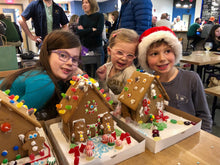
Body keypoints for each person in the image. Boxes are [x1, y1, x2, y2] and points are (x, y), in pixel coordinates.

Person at [138, 26, 212, 132]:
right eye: (154, 54)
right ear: (145, 59)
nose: (162, 59)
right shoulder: (147, 83)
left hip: (189, 138)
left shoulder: (191, 79)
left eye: (167, 51)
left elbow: (204, 116)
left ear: (176, 52)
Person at [0, 30, 83, 121]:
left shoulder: (50, 77)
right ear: (47, 54)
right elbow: (17, 121)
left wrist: (81, 75)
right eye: (63, 55)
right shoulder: (44, 82)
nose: (70, 63)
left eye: (75, 59)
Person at [96, 28, 139, 107]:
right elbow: (104, 91)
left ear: (134, 57)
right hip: (109, 107)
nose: (124, 58)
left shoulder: (130, 73)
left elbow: (132, 99)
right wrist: (102, 80)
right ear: (109, 51)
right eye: (119, 53)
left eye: (130, 55)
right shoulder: (107, 67)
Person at [76, 0, 105, 77]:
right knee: (86, 72)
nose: (84, 5)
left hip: (97, 47)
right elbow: (78, 32)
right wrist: (91, 29)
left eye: (86, 2)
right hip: (84, 48)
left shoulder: (99, 16)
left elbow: (99, 31)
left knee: (99, 72)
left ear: (92, 3)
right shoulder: (82, 17)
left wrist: (84, 31)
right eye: (83, 3)